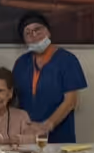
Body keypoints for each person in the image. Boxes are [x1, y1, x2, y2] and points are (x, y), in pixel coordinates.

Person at [11, 11, 87, 145]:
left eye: (37, 30)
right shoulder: (21, 63)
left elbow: (71, 101)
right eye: (28, 33)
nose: (33, 36)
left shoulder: (67, 60)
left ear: (48, 32)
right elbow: (14, 99)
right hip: (27, 137)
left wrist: (47, 125)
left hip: (60, 136)